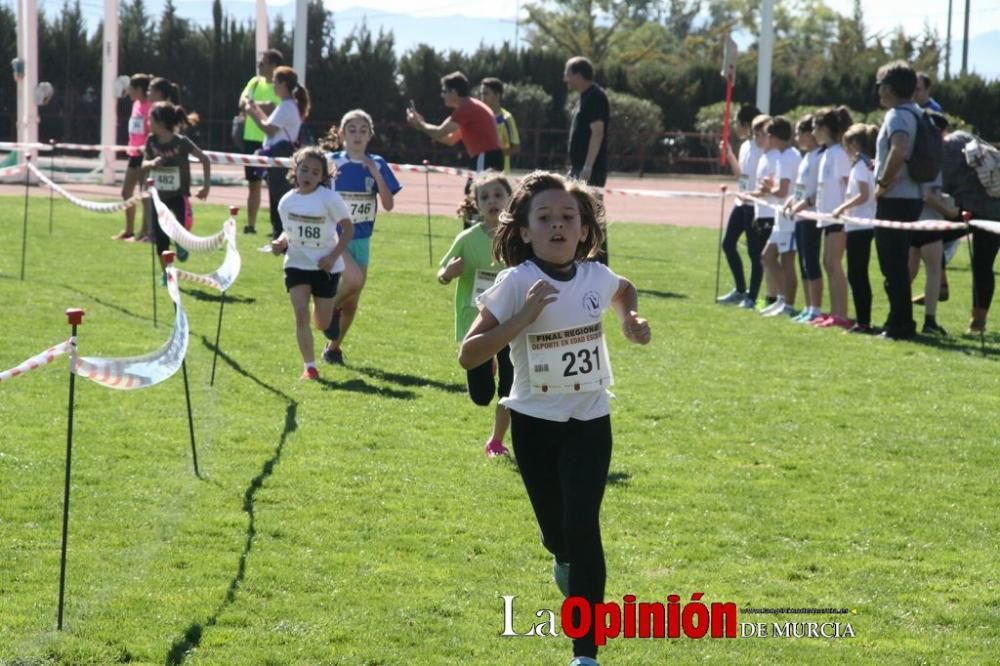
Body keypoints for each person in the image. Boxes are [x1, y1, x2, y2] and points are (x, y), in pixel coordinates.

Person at [459, 171, 649, 666]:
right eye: (544, 218)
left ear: (585, 229)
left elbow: (624, 288)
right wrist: (522, 318)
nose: (558, 226)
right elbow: (469, 353)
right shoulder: (515, 282)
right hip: (534, 424)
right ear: (524, 231)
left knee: (584, 526)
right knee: (558, 534)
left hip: (590, 420)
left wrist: (629, 319)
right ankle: (560, 554)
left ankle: (585, 653)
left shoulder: (594, 276)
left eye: (569, 217)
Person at [439, 171, 514, 457]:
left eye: (498, 195)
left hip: (511, 324)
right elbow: (442, 274)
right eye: (484, 197)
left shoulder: (520, 237)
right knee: (482, 396)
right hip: (476, 323)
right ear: (476, 204)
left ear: (510, 199)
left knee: (510, 388)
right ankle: (488, 362)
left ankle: (496, 441)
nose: (492, 201)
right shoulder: (468, 238)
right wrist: (448, 274)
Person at [321, 109, 402, 366]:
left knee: (353, 302)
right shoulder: (331, 162)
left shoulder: (378, 163)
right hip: (335, 236)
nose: (357, 136)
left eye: (362, 131)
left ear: (370, 135)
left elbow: (388, 205)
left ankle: (333, 348)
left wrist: (375, 173)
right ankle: (328, 310)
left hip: (361, 238)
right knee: (353, 280)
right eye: (352, 130)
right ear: (342, 134)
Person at [271, 147, 354, 380]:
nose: (308, 175)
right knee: (300, 313)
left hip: (325, 267)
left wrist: (333, 257)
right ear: (295, 170)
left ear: (322, 177)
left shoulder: (329, 199)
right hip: (296, 264)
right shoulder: (286, 202)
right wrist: (280, 243)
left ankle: (332, 314)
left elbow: (348, 229)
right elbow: (289, 233)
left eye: (315, 172)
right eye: (304, 169)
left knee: (322, 323)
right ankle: (310, 367)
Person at [874, 61, 926, 340]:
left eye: (879, 85)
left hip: (895, 198)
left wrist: (882, 182)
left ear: (890, 89)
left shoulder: (897, 115)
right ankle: (898, 320)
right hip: (912, 197)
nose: (878, 91)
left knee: (892, 266)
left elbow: (900, 149)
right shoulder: (916, 113)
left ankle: (900, 324)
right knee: (897, 265)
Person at [937, 125, 1000, 334]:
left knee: (928, 238)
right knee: (983, 265)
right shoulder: (969, 139)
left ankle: (941, 285)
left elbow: (944, 184)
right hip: (995, 209)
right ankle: (977, 322)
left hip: (968, 207)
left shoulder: (946, 147)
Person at [142, 101, 210, 278]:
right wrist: (151, 163)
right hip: (159, 197)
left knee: (182, 226)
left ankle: (181, 243)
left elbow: (205, 159)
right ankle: (167, 274)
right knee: (160, 238)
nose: (148, 122)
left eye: (150, 119)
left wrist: (206, 186)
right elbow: (143, 164)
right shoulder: (151, 141)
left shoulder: (181, 142)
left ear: (161, 122)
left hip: (178, 195)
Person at [246, 65, 310, 242]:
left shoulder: (287, 106)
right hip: (280, 154)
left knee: (279, 199)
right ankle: (278, 237)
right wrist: (256, 110)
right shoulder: (287, 106)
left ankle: (280, 238)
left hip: (280, 155)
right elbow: (271, 124)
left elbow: (269, 129)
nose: (273, 85)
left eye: (275, 82)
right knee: (277, 197)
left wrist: (251, 113)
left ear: (283, 84)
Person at [832, 123, 880, 334]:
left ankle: (863, 321)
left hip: (861, 226)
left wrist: (842, 208)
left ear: (855, 145)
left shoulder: (861, 168)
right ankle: (863, 320)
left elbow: (863, 195)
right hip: (859, 225)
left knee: (857, 274)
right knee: (857, 274)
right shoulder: (867, 166)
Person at [406, 71, 503, 173]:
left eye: (444, 91)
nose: (442, 95)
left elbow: (439, 132)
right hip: (488, 158)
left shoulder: (466, 109)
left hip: (485, 158)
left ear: (454, 92)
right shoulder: (469, 107)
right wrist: (421, 124)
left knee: (475, 189)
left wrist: (420, 124)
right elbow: (450, 140)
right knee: (471, 189)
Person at [564, 56, 611, 265]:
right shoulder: (585, 96)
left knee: (592, 216)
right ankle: (582, 260)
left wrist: (588, 166)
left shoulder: (595, 97)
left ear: (577, 73)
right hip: (579, 167)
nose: (565, 79)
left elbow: (597, 131)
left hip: (588, 169)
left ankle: (598, 264)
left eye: (567, 73)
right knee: (579, 213)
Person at [718, 104, 764, 308]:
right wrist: (729, 155)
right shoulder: (745, 146)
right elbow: (742, 176)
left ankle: (752, 297)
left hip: (755, 204)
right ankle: (740, 289)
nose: (735, 126)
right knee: (728, 244)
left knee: (755, 252)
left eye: (737, 122)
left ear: (747, 124)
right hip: (741, 201)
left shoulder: (763, 147)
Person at [812, 106, 853, 329]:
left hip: (839, 218)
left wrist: (846, 216)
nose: (813, 132)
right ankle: (834, 312)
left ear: (826, 128)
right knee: (827, 263)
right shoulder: (827, 153)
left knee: (834, 263)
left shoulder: (839, 154)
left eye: (816, 128)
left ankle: (841, 314)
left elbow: (848, 185)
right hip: (827, 217)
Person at [757, 116, 800, 317]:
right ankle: (781, 300)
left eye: (767, 135)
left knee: (787, 261)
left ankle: (788, 305)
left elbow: (783, 191)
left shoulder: (788, 156)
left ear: (773, 137)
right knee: (768, 256)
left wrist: (768, 188)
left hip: (789, 218)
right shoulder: (786, 155)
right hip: (781, 217)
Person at [237, 49, 283, 235]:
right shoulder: (254, 82)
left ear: (273, 65)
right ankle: (251, 225)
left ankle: (276, 226)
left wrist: (253, 105)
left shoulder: (280, 85)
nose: (259, 65)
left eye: (262, 62)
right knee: (253, 183)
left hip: (271, 141)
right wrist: (257, 105)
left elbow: (275, 107)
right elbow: (242, 103)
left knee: (275, 185)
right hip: (251, 139)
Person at [786, 115, 825, 322]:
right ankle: (808, 306)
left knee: (811, 261)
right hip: (799, 216)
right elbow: (801, 188)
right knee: (803, 263)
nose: (797, 137)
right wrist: (792, 200)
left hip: (811, 215)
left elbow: (820, 190)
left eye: (800, 132)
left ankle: (816, 308)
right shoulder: (806, 157)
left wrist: (805, 204)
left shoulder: (820, 156)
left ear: (811, 134)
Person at [112, 73, 153, 241]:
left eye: (131, 89)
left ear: (139, 89)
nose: (128, 92)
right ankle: (129, 230)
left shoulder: (150, 106)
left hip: (146, 155)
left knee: (145, 194)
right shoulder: (135, 105)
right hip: (133, 154)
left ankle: (145, 232)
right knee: (126, 191)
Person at [744, 113, 777, 308]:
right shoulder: (765, 156)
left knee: (768, 259)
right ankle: (767, 297)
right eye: (756, 134)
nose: (759, 139)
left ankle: (773, 298)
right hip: (762, 212)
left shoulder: (776, 158)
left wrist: (752, 195)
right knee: (764, 259)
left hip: (772, 215)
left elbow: (772, 188)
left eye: (762, 134)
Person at [480, 77, 520, 174]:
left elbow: (516, 148)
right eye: (481, 94)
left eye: (486, 93)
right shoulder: (478, 117)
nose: (482, 97)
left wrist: (495, 154)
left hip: (499, 173)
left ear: (497, 95)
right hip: (479, 170)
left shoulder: (507, 118)